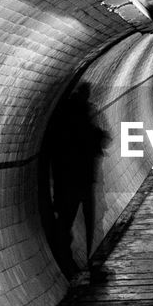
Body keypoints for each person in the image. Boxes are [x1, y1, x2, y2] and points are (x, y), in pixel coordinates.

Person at [46, 83, 109, 274]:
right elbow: (100, 139)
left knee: (67, 221)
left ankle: (68, 260)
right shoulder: (86, 115)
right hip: (83, 179)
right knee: (90, 222)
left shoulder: (63, 117)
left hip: (67, 180)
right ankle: (92, 262)